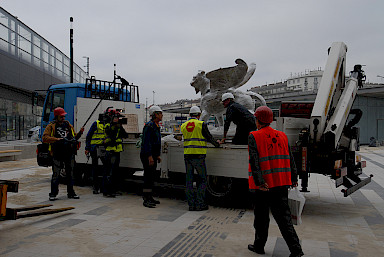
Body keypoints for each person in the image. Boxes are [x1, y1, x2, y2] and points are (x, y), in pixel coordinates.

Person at [247, 106, 304, 257]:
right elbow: (290, 158)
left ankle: (259, 246)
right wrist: (293, 177)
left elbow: (254, 161)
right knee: (284, 219)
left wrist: (259, 181)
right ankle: (296, 250)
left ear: (258, 120)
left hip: (263, 186)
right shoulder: (282, 136)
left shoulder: (254, 136)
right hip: (281, 183)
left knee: (261, 218)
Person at [181, 106, 220, 211]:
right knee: (202, 180)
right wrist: (217, 144)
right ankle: (200, 204)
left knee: (189, 181)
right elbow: (209, 138)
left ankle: (191, 205)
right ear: (199, 115)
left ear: (189, 115)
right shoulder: (201, 124)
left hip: (187, 155)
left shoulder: (183, 125)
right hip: (198, 156)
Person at [42, 107, 84, 201]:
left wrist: (80, 133)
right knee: (56, 174)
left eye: (64, 116)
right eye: (61, 116)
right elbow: (44, 138)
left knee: (70, 174)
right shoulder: (51, 126)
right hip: (57, 153)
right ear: (56, 116)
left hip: (69, 153)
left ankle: (71, 193)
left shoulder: (67, 124)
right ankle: (53, 194)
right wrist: (57, 140)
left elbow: (74, 137)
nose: (63, 118)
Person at [140, 105, 162, 208]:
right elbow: (146, 142)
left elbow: (156, 142)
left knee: (151, 177)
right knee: (148, 177)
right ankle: (146, 198)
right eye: (160, 113)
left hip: (153, 155)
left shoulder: (156, 126)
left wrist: (157, 155)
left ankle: (150, 196)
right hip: (147, 155)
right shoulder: (149, 126)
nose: (162, 115)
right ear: (155, 115)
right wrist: (149, 156)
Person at [103, 109, 128, 197]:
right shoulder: (108, 126)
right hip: (110, 151)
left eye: (118, 118)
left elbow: (125, 135)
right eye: (116, 118)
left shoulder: (118, 126)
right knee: (109, 172)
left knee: (115, 172)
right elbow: (111, 136)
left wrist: (120, 127)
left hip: (117, 151)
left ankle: (114, 189)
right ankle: (107, 191)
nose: (117, 119)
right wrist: (116, 126)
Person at [85, 114, 107, 194]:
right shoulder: (97, 124)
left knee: (97, 168)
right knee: (97, 168)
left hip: (98, 148)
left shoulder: (104, 124)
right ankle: (97, 187)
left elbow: (88, 136)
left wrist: (87, 148)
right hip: (96, 148)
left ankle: (97, 187)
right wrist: (87, 148)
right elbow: (89, 136)